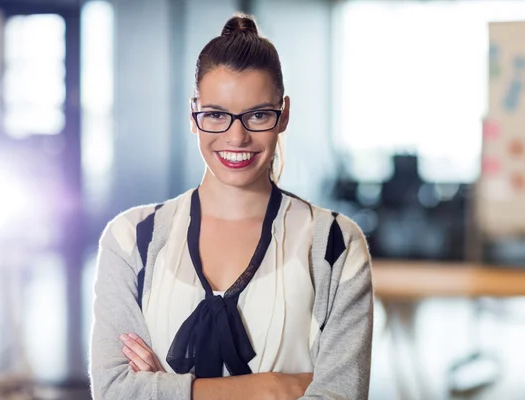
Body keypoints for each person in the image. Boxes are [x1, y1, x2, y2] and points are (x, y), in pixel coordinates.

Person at [89, 13, 373, 400]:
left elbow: (340, 395)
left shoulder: (335, 244)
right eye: (217, 115)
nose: (236, 137)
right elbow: (115, 390)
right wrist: (275, 387)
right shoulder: (132, 239)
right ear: (195, 115)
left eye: (258, 115)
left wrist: (166, 389)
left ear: (283, 115)